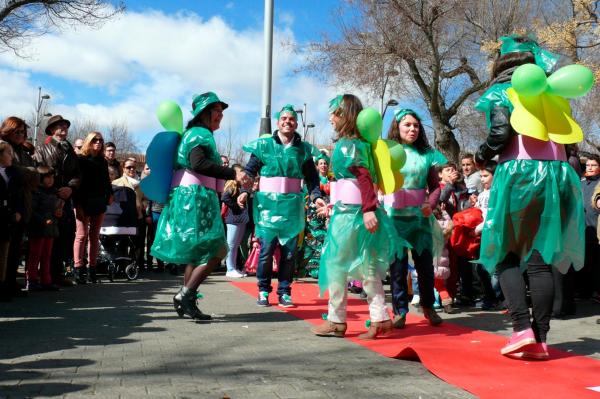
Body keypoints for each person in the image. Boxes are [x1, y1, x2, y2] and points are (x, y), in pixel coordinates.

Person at [474, 35, 584, 360]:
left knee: (506, 253)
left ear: (503, 64)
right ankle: (541, 340)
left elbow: (499, 134)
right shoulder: (553, 96)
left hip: (521, 175)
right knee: (539, 260)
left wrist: (482, 155)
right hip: (558, 175)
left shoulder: (501, 91)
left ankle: (521, 328)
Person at [151, 92, 247, 320]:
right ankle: (186, 294)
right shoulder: (200, 133)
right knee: (218, 249)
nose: (221, 115)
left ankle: (188, 301)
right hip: (194, 198)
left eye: (222, 112)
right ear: (204, 113)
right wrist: (233, 172)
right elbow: (198, 164)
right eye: (217, 111)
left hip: (190, 197)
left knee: (196, 254)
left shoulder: (194, 133)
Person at [311, 94, 400, 339]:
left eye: (335, 113)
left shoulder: (349, 145)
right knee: (368, 266)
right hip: (350, 211)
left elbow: (362, 176)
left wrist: (369, 208)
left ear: (346, 116)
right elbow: (354, 179)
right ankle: (380, 317)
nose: (330, 118)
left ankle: (337, 320)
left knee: (337, 264)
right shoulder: (357, 144)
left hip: (353, 215)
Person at [241, 104, 324, 308]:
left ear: (296, 123)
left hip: (292, 208)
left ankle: (285, 291)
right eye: (284, 119)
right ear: (278, 122)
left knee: (289, 253)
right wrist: (245, 191)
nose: (288, 122)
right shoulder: (264, 145)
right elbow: (250, 170)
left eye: (291, 119)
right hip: (268, 207)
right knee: (266, 251)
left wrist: (316, 197)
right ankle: (262, 289)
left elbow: (312, 179)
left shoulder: (303, 150)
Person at [385, 108, 447, 328]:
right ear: (397, 127)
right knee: (398, 268)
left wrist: (430, 204)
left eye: (416, 125)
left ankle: (428, 308)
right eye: (407, 125)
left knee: (425, 268)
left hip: (420, 220)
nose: (412, 129)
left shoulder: (427, 154)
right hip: (395, 219)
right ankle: (400, 311)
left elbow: (436, 187)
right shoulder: (388, 151)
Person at [34, 115, 81, 287]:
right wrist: (55, 192)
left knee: (66, 235)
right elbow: (40, 172)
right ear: (52, 129)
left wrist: (71, 188)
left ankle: (57, 273)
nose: (63, 129)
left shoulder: (69, 150)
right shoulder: (42, 149)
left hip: (66, 198)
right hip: (48, 198)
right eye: (59, 126)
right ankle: (44, 275)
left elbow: (77, 174)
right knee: (48, 236)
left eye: (65, 126)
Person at [0, 117, 36, 296]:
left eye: (23, 131)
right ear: (8, 130)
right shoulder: (3, 146)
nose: (21, 135)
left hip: (23, 201)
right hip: (8, 202)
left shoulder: (23, 151)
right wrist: (31, 172)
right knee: (6, 247)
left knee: (16, 248)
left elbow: (35, 178)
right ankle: (4, 284)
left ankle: (11, 282)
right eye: (17, 131)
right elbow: (12, 172)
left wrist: (29, 173)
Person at [72, 132, 112, 284]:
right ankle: (78, 268)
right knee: (81, 235)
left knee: (94, 236)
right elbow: (77, 183)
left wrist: (109, 194)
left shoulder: (102, 161)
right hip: (83, 201)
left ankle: (92, 269)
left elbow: (106, 181)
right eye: (94, 140)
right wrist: (78, 204)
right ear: (88, 142)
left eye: (101, 140)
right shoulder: (80, 160)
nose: (98, 142)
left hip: (99, 202)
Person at [25, 166, 63, 291]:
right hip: (38, 227)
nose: (51, 180)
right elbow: (32, 210)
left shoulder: (54, 192)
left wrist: (58, 213)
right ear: (40, 178)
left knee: (47, 254)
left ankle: (46, 280)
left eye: (52, 177)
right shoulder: (35, 192)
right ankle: (32, 280)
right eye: (48, 177)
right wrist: (42, 220)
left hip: (51, 226)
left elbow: (55, 209)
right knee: (35, 254)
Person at [0, 141, 24, 301]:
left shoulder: (14, 173)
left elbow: (17, 195)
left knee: (5, 254)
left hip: (7, 218)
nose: (12, 156)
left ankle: (4, 286)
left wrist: (18, 211)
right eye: (8, 153)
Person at [112, 158, 146, 269]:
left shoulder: (141, 184)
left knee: (137, 242)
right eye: (128, 167)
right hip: (123, 216)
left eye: (133, 167)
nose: (131, 169)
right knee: (123, 242)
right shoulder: (116, 183)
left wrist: (143, 204)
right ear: (123, 168)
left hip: (138, 215)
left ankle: (134, 265)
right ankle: (122, 265)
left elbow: (145, 198)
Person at [302, 152, 331, 279]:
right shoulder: (314, 181)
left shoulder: (332, 180)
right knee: (313, 240)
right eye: (321, 163)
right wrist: (308, 213)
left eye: (325, 163)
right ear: (317, 166)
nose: (323, 165)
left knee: (325, 240)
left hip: (328, 213)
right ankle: (309, 269)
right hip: (313, 214)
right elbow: (307, 197)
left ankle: (322, 269)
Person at [221, 164, 249, 278]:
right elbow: (224, 197)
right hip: (233, 219)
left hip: (240, 219)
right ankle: (230, 269)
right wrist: (236, 207)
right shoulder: (232, 185)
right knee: (231, 245)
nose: (242, 174)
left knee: (236, 244)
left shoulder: (240, 186)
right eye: (240, 172)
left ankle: (234, 268)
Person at [578, 154, 600, 300]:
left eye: (593, 165)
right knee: (585, 263)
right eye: (587, 165)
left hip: (596, 229)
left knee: (597, 264)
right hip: (582, 230)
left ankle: (596, 291)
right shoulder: (581, 183)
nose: (589, 168)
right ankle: (584, 291)